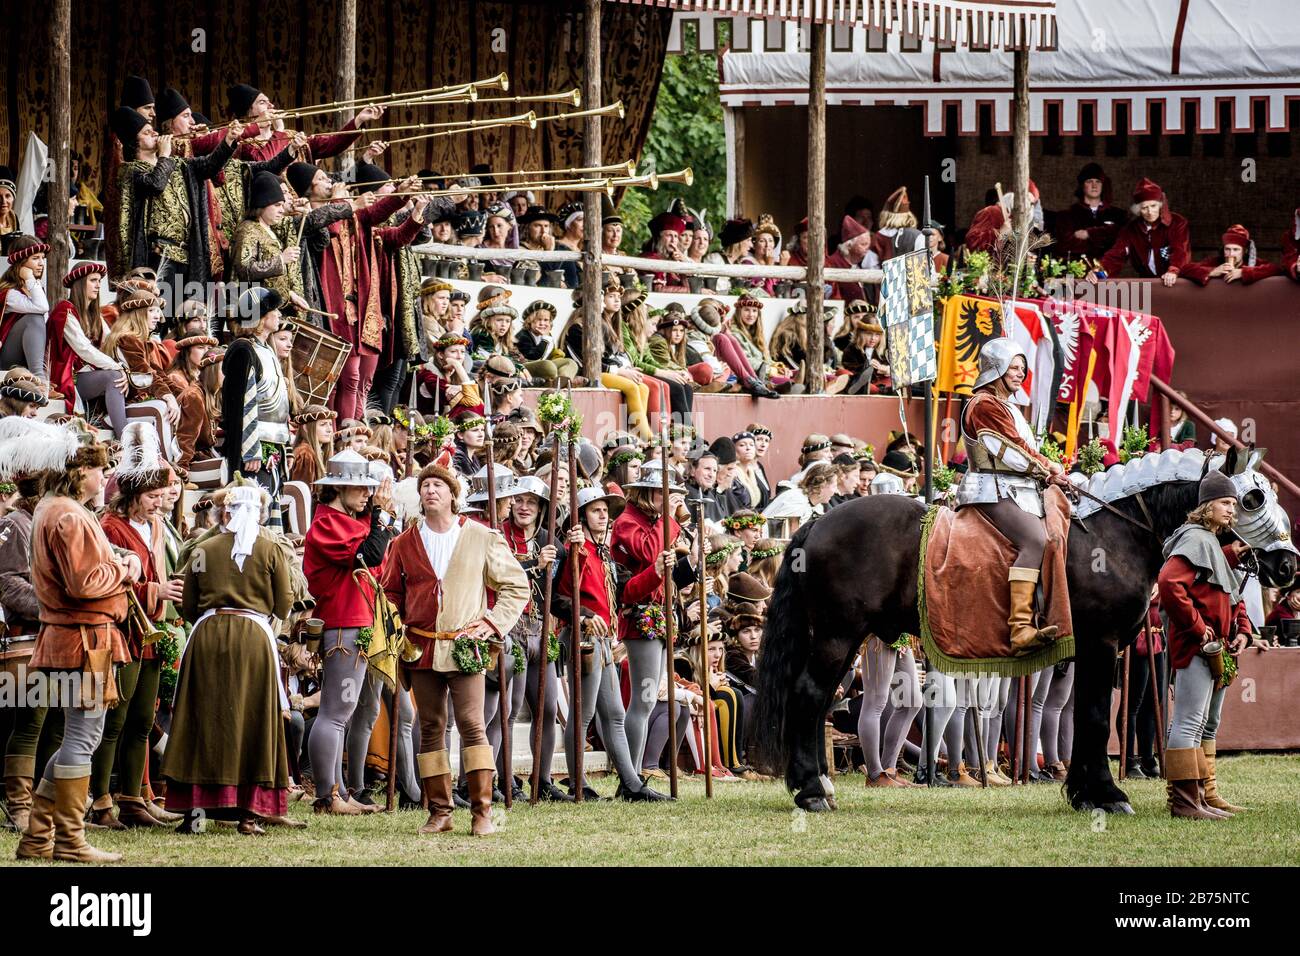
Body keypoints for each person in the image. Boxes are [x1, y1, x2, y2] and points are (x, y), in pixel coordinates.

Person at [379, 455, 529, 836]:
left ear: (452, 495)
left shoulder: (479, 536)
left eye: (438, 486)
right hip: (422, 648)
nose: (430, 490)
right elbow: (389, 594)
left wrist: (492, 622)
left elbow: (516, 585)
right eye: (425, 486)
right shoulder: (404, 541)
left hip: (466, 647)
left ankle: (482, 812)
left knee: (472, 725)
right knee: (431, 727)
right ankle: (440, 812)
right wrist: (394, 630)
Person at [18, 421, 135, 863]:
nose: (103, 477)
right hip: (83, 639)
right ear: (77, 469)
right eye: (97, 469)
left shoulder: (52, 509)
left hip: (71, 637)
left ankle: (37, 837)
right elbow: (86, 583)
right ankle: (68, 839)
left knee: (77, 737)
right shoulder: (68, 513)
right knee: (83, 738)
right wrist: (125, 570)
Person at [163, 478, 294, 835]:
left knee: (201, 719)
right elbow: (284, 604)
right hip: (254, 641)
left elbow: (188, 606)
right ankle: (248, 814)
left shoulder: (203, 550)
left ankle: (195, 813)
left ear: (224, 512)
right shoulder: (270, 550)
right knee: (252, 720)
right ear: (261, 514)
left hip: (207, 636)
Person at [91, 423, 183, 829]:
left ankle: (133, 797)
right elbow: (114, 578)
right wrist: (155, 591)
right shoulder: (111, 527)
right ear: (130, 495)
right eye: (149, 496)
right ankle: (101, 801)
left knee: (144, 720)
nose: (157, 503)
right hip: (124, 632)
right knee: (116, 719)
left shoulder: (157, 524)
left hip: (151, 633)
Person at [953, 338, 1071, 654]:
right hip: (991, 489)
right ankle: (1020, 629)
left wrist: (1049, 468)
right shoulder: (985, 405)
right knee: (1035, 539)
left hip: (1016, 488)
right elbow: (1011, 450)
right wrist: (1048, 468)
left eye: (1022, 368)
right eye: (1014, 367)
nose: (1020, 374)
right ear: (997, 369)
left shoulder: (1007, 405)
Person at [1157, 472, 1258, 820]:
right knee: (1188, 722)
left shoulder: (1211, 542)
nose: (1232, 510)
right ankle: (1185, 803)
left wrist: (1242, 629)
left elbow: (1228, 594)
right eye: (1225, 503)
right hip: (1195, 647)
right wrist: (1200, 630)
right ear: (1206, 506)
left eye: (1233, 504)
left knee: (1200, 723)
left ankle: (1198, 798)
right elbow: (1169, 584)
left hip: (1214, 646)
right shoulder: (1196, 539)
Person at [303, 449, 398, 814]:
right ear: (338, 487)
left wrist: (379, 519)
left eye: (369, 489)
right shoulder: (327, 522)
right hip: (343, 623)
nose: (367, 495)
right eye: (359, 488)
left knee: (340, 713)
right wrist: (383, 516)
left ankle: (339, 791)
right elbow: (370, 554)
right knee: (335, 712)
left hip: (356, 621)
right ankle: (327, 796)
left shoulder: (349, 520)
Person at [611, 461, 688, 778]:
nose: (667, 498)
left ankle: (636, 774)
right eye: (662, 492)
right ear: (647, 492)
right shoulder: (628, 521)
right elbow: (648, 553)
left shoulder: (655, 521)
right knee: (641, 704)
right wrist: (670, 520)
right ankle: (631, 776)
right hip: (638, 618)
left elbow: (667, 570)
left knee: (647, 701)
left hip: (657, 616)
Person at [108, 106, 241, 288]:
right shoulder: (131, 171)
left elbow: (209, 166)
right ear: (135, 142)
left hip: (186, 253)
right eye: (147, 133)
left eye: (152, 129)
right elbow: (156, 183)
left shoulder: (178, 164)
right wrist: (164, 154)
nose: (155, 133)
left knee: (183, 312)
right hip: (158, 254)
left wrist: (228, 140)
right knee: (162, 312)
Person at [221, 287, 291, 529]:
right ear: (261, 316)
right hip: (254, 450)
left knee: (269, 510)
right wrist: (250, 450)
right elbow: (241, 404)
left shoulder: (266, 350)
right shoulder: (243, 350)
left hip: (271, 444)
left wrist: (285, 450)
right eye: (274, 310)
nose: (278, 315)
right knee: (253, 516)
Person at [44, 262, 129, 435]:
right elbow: (84, 349)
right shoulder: (64, 310)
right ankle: (125, 438)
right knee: (114, 376)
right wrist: (117, 368)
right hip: (68, 379)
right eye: (93, 280)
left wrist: (125, 369)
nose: (98, 285)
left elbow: (111, 343)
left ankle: (115, 426)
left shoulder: (94, 314)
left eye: (99, 280)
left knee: (120, 376)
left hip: (87, 375)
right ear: (80, 283)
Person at [1093, 178, 1191, 286]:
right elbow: (1116, 254)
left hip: (1175, 281)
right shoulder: (1130, 229)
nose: (1150, 212)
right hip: (1148, 283)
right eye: (1144, 208)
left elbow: (1180, 250)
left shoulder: (1178, 222)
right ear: (1138, 210)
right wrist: (1099, 271)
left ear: (1160, 205)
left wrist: (1173, 270)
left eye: (1153, 206)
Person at [0, 238, 52, 381]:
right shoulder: (9, 293)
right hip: (7, 360)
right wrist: (29, 277)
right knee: (34, 317)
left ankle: (40, 377)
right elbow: (41, 308)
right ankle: (39, 379)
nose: (41, 263)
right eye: (35, 258)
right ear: (21, 263)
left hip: (26, 358)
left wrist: (32, 282)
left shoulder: (35, 288)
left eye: (42, 258)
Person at [1053, 162, 1126, 262]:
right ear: (1082, 185)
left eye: (1098, 181)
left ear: (1103, 185)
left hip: (1109, 271)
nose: (1094, 185)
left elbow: (1120, 244)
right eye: (1089, 181)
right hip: (1079, 270)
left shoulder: (1118, 215)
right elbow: (1064, 246)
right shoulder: (1067, 216)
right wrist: (1104, 237)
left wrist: (1089, 234)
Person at [1179, 224, 1279, 286]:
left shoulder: (1252, 262)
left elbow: (1275, 268)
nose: (1231, 254)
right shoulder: (1217, 261)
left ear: (1244, 251)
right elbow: (1185, 269)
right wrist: (1211, 271)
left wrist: (1244, 272)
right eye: (1227, 249)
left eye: (1236, 250)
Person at [515, 301, 579, 385]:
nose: (542, 323)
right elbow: (535, 357)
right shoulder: (523, 336)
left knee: (570, 362)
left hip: (546, 366)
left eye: (546, 320)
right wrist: (545, 338)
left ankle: (561, 381)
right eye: (539, 320)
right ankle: (552, 382)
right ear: (530, 321)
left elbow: (550, 355)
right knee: (548, 366)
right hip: (526, 367)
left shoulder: (547, 335)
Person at [290, 404, 337, 487]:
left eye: (330, 424)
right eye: (323, 424)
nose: (329, 430)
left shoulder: (314, 452)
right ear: (306, 428)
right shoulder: (305, 454)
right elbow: (303, 494)